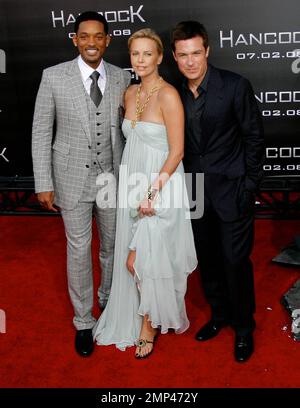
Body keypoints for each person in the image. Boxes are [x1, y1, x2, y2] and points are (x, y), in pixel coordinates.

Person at [93, 28, 197, 358]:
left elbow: (177, 151)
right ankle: (141, 315)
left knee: (143, 259)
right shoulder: (129, 93)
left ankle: (148, 326)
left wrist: (153, 193)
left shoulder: (168, 95)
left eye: (147, 54)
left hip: (161, 184)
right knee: (137, 256)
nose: (140, 60)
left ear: (160, 57)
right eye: (135, 54)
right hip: (133, 182)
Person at [32, 11, 131, 357]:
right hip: (71, 178)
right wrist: (44, 182)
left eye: (98, 36)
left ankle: (107, 300)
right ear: (75, 39)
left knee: (112, 246)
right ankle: (83, 321)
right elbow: (41, 131)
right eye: (84, 36)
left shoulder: (122, 77)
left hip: (110, 178)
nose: (91, 42)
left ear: (107, 40)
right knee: (78, 250)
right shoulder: (53, 77)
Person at [171, 21, 264, 362]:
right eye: (183, 55)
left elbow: (254, 137)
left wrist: (250, 185)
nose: (191, 61)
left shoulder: (235, 86)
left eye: (196, 53)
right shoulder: (174, 92)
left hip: (232, 190)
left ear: (207, 51)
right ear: (175, 57)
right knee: (207, 260)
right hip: (193, 191)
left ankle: (243, 327)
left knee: (235, 261)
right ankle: (220, 315)